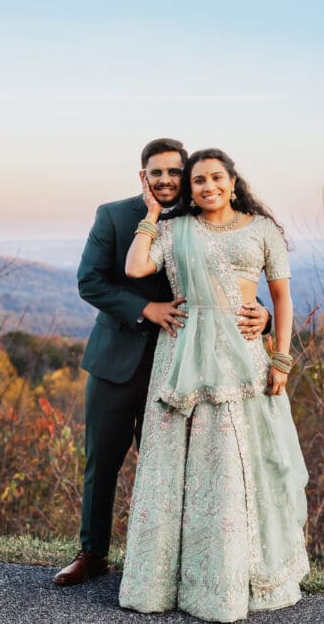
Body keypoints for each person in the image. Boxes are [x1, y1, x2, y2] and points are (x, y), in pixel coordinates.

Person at [55, 139, 270, 586]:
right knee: (103, 459)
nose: (167, 180)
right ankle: (92, 553)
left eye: (176, 171)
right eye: (158, 172)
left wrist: (264, 317)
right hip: (117, 362)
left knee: (177, 469)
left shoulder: (202, 219)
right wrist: (145, 309)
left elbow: (233, 280)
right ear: (143, 176)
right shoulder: (113, 215)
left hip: (184, 365)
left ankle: (164, 565)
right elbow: (89, 282)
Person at [119, 148, 309, 621]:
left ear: (232, 180)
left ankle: (223, 583)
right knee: (171, 467)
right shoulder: (173, 229)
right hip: (181, 353)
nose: (208, 187)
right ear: (190, 187)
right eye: (198, 181)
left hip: (240, 357)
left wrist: (281, 357)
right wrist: (151, 214)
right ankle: (160, 585)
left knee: (230, 463)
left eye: (216, 178)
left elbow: (282, 298)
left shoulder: (263, 230)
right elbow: (136, 268)